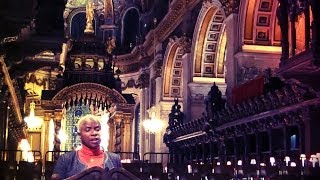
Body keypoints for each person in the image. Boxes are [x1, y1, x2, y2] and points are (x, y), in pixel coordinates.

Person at [52, 114, 122, 179]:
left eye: (97, 129)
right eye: (88, 130)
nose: (94, 133)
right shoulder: (66, 160)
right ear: (80, 135)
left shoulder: (114, 159)